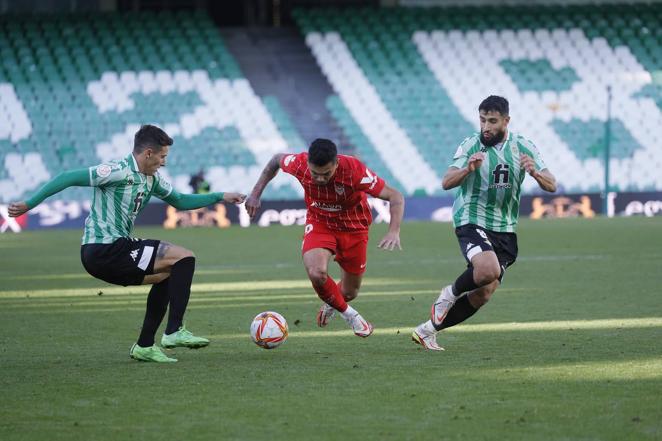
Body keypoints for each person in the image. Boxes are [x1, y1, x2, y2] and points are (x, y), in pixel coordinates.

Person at [8, 125, 246, 362]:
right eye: (162, 156)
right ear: (148, 154)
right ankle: (173, 331)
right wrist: (29, 204)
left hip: (115, 250)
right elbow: (67, 177)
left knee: (169, 273)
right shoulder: (117, 170)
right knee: (184, 257)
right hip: (103, 248)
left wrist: (219, 196)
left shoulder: (152, 179)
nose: (164, 162)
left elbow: (181, 201)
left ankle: (144, 346)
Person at [412, 96, 557, 351]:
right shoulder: (471, 145)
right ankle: (449, 294)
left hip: (505, 227)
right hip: (471, 218)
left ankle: (427, 330)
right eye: (482, 120)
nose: (486, 127)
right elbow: (446, 182)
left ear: (506, 121)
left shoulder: (523, 146)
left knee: (484, 293)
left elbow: (552, 184)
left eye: (492, 121)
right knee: (488, 269)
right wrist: (467, 169)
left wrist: (535, 172)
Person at [245, 138, 404, 337]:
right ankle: (351, 316)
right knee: (316, 272)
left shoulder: (354, 171)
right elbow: (275, 161)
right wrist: (255, 194)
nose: (320, 179)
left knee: (349, 292)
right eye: (315, 174)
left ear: (336, 163)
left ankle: (332, 303)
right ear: (308, 164)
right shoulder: (299, 164)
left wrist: (393, 231)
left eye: (326, 174)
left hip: (354, 227)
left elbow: (395, 196)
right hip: (320, 223)